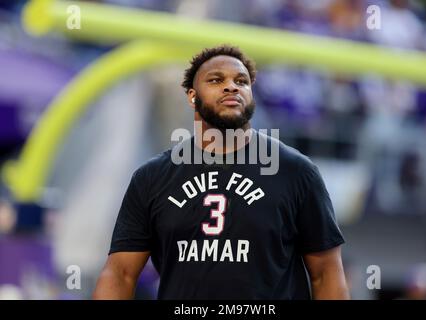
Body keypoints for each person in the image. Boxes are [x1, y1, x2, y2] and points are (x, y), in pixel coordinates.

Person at [93, 45, 349, 300]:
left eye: (242, 81)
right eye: (216, 80)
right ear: (192, 96)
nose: (231, 86)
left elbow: (326, 273)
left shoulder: (297, 172)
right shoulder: (151, 177)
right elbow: (120, 273)